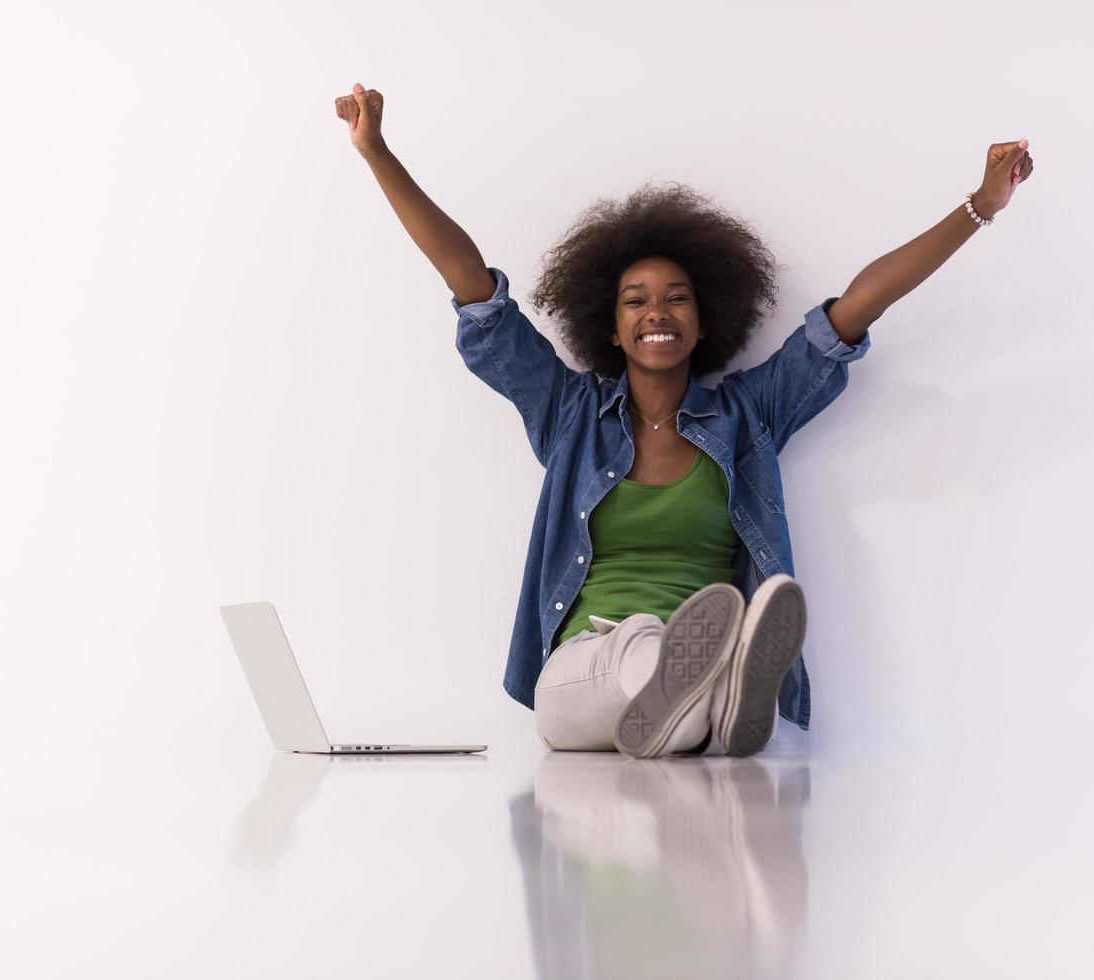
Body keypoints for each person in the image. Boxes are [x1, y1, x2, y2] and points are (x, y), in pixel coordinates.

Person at [336, 82, 1033, 758]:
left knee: (672, 677)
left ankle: (702, 701)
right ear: (610, 329)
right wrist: (377, 153)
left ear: (704, 323)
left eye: (676, 299)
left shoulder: (748, 414)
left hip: (687, 663)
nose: (657, 313)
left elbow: (857, 306)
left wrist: (979, 206)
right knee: (639, 657)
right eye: (635, 302)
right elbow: (473, 288)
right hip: (588, 664)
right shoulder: (567, 412)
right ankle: (714, 697)